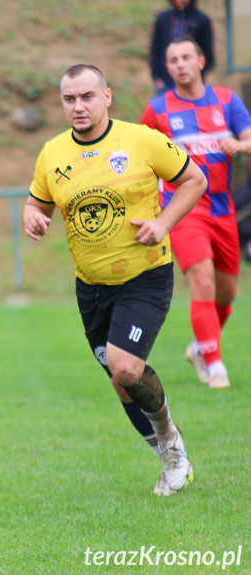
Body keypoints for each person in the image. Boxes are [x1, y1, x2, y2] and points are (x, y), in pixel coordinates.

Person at [24, 64, 207, 496]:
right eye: (69, 99)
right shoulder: (52, 153)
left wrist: (163, 223)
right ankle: (168, 450)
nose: (78, 106)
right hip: (90, 287)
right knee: (120, 380)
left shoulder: (140, 139)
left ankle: (170, 444)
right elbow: (37, 204)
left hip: (145, 275)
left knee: (125, 368)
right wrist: (32, 217)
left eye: (87, 96)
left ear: (107, 96)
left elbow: (193, 180)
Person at [141, 37, 251, 389]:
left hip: (223, 208)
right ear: (167, 68)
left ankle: (201, 348)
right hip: (184, 209)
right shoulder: (157, 110)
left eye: (186, 57)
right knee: (201, 282)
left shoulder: (227, 101)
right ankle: (215, 365)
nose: (180, 64)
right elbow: (139, 161)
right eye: (172, 59)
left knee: (226, 295)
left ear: (201, 60)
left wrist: (240, 145)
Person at [149, 0, 214, 96]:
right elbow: (155, 50)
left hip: (191, 80)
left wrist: (198, 75)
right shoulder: (163, 19)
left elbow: (208, 54)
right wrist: (158, 77)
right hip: (166, 81)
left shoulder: (201, 20)